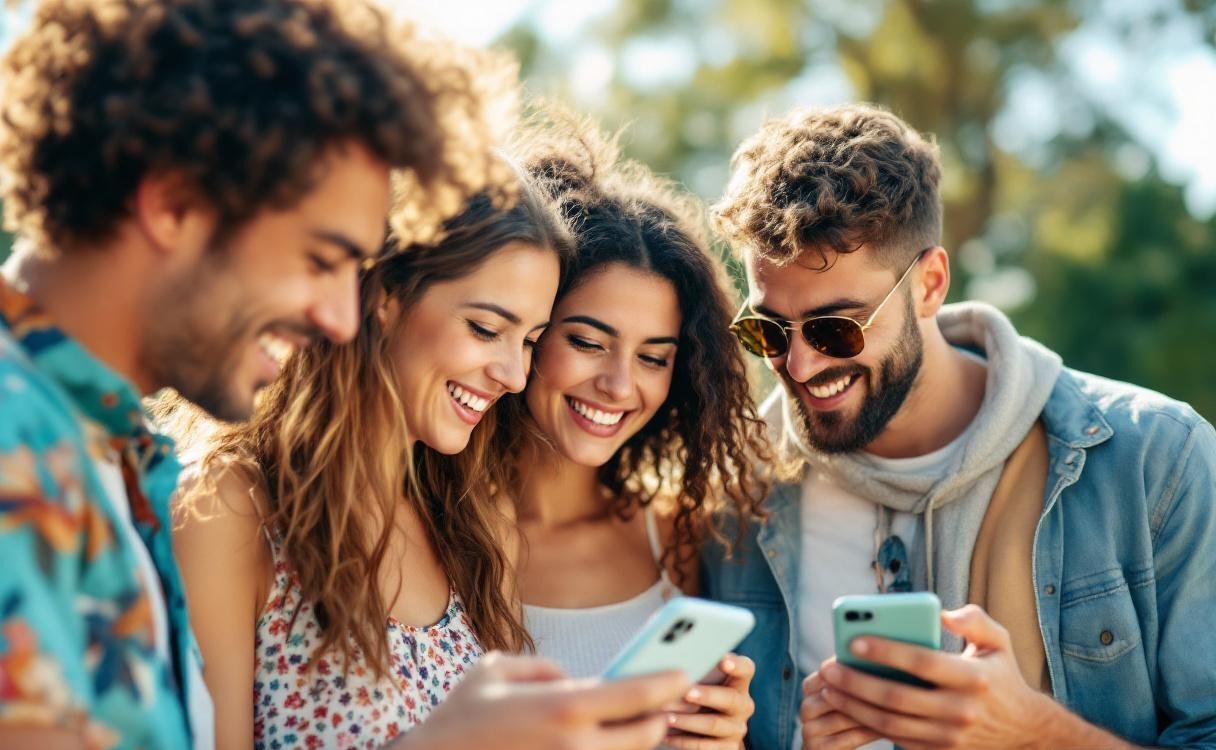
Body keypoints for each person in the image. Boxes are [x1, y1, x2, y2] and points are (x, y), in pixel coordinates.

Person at [0, 1, 690, 748]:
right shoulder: (30, 453)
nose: (340, 315)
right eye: (322, 259)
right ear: (171, 205)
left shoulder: (119, 462)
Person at [700, 103, 1216, 750]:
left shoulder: (1158, 462)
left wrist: (1034, 733)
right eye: (768, 330)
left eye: (836, 328)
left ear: (930, 284)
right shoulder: (737, 495)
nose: (800, 364)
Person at [497, 110, 768, 749]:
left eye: (653, 357)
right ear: (531, 328)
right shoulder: (429, 526)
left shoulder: (676, 535)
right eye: (589, 341)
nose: (620, 386)